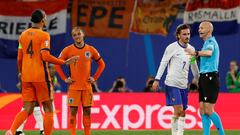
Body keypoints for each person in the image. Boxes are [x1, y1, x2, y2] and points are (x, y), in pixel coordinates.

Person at [5, 9, 79, 135]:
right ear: (42, 20)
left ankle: (11, 131)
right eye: (45, 16)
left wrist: (20, 73)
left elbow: (19, 58)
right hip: (40, 76)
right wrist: (64, 62)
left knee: (27, 108)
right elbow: (45, 56)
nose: (46, 19)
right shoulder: (44, 35)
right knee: (49, 108)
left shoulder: (23, 35)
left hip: (26, 76)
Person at [55, 26, 105, 135]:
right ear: (72, 37)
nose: (77, 36)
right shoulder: (67, 50)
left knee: (87, 112)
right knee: (73, 112)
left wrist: (94, 77)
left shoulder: (91, 49)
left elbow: (102, 64)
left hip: (87, 87)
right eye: (74, 35)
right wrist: (65, 79)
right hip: (74, 87)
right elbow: (57, 64)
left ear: (83, 35)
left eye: (78, 34)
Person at [152, 24, 199, 135]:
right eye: (184, 34)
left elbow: (193, 66)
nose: (187, 36)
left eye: (188, 34)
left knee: (182, 113)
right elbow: (163, 63)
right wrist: (157, 79)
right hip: (172, 83)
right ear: (178, 35)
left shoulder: (191, 49)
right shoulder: (171, 47)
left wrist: (198, 79)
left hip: (183, 85)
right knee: (178, 110)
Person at [185, 21, 225, 135]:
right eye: (199, 28)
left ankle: (222, 133)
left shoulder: (210, 42)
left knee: (208, 110)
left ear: (209, 30)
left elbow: (208, 53)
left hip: (210, 78)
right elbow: (202, 59)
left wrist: (195, 52)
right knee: (202, 109)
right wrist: (193, 58)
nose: (199, 30)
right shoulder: (206, 42)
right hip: (204, 78)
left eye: (202, 28)